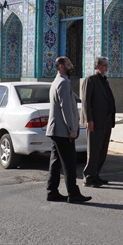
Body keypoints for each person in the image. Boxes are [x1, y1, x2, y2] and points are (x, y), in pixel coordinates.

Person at [46, 56, 91, 204]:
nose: (72, 66)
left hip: (56, 130)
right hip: (63, 131)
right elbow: (66, 108)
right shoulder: (63, 83)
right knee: (69, 163)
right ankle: (73, 194)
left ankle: (52, 192)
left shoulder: (57, 81)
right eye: (69, 64)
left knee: (55, 162)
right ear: (61, 67)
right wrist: (72, 128)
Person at [81, 57, 116, 187]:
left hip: (106, 121)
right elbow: (86, 102)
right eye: (104, 65)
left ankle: (96, 174)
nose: (106, 68)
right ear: (97, 66)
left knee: (102, 150)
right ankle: (89, 177)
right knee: (94, 150)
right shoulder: (91, 80)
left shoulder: (104, 81)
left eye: (107, 65)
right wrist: (89, 120)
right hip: (95, 121)